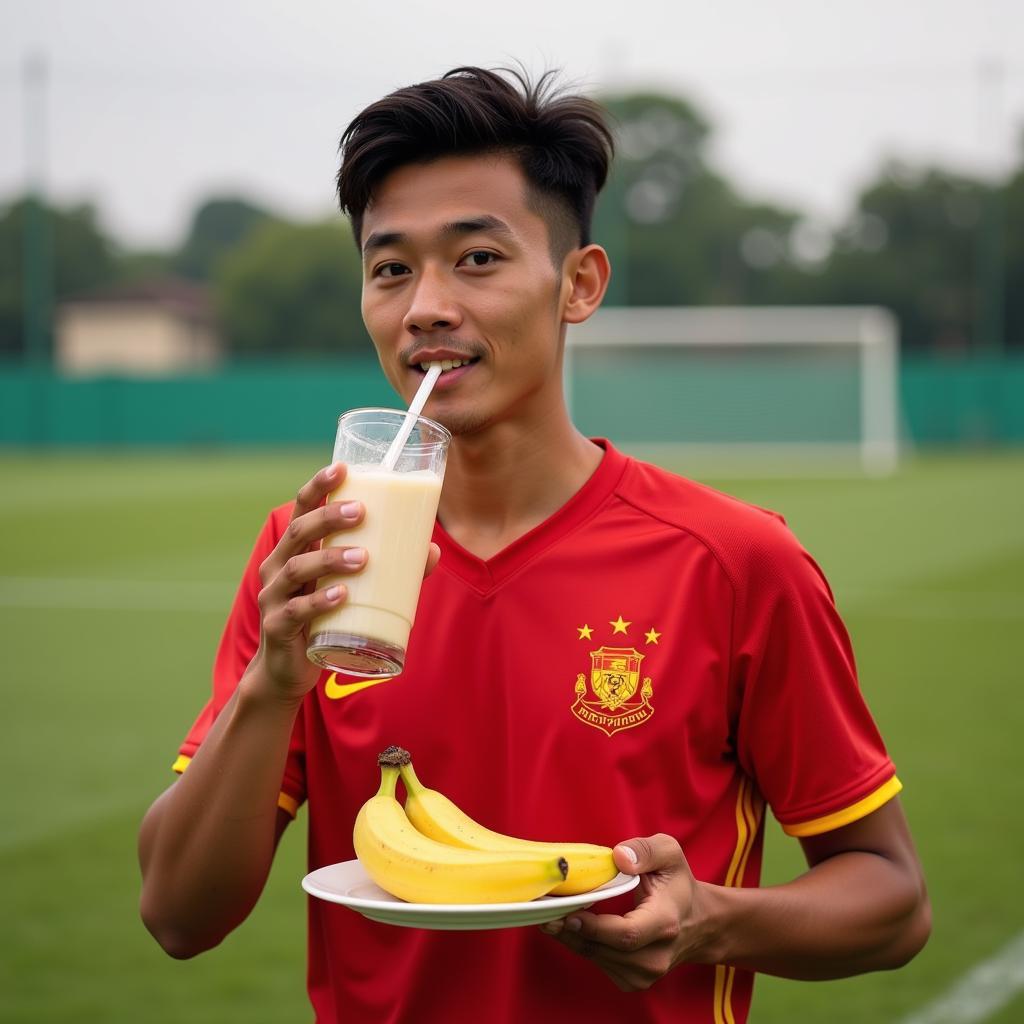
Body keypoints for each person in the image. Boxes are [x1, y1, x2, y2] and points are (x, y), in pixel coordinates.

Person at [138, 66, 931, 1023]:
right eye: (390, 268)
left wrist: (707, 922)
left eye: (476, 258)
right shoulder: (314, 552)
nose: (425, 304)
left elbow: (891, 898)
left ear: (579, 284)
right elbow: (178, 917)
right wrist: (272, 682)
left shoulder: (732, 560)